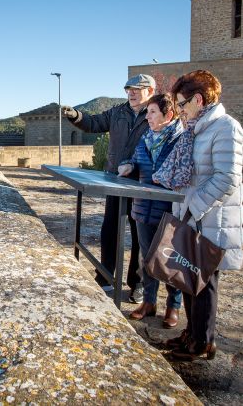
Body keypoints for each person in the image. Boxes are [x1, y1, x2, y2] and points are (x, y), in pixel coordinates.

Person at [153, 70, 243, 361]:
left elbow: (228, 178)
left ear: (199, 100)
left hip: (210, 219)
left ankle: (202, 343)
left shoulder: (226, 128)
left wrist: (194, 208)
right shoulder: (195, 128)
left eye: (182, 104)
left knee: (204, 283)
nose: (179, 110)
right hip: (193, 217)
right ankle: (194, 334)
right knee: (189, 278)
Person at [62, 74, 156, 302]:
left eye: (136, 89)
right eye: (128, 89)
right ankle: (104, 277)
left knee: (139, 237)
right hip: (115, 179)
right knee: (110, 229)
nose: (131, 92)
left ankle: (138, 284)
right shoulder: (118, 112)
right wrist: (76, 116)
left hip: (143, 184)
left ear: (150, 91)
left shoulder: (156, 113)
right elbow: (94, 123)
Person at [117, 93, 183, 327]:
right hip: (143, 208)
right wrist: (129, 166)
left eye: (153, 112)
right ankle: (149, 302)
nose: (148, 116)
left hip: (169, 210)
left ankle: (173, 307)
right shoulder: (145, 138)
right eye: (148, 112)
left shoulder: (180, 140)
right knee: (147, 259)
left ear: (169, 115)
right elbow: (136, 161)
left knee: (171, 260)